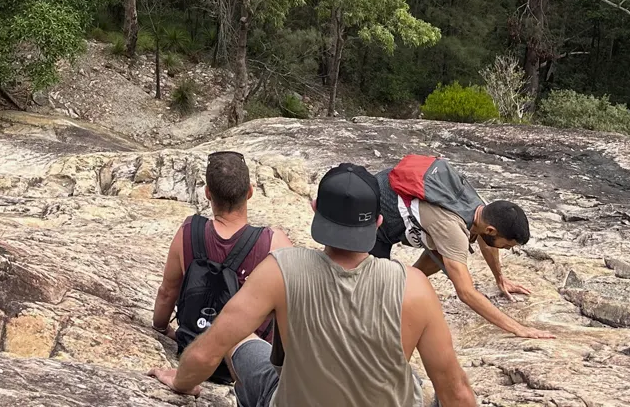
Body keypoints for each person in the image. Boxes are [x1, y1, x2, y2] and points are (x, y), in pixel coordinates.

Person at [150, 163, 479, 407]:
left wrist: (179, 382)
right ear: (378, 223)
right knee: (424, 384)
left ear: (314, 210)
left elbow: (209, 350)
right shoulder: (414, 285)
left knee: (240, 343)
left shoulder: (281, 269)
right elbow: (457, 394)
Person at [374, 153, 554, 340]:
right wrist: (519, 329)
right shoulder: (453, 230)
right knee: (375, 293)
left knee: (445, 255)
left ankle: (405, 283)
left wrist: (500, 279)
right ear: (491, 230)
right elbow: (466, 292)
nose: (506, 249)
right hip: (375, 217)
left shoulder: (482, 209)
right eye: (507, 246)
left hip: (391, 189)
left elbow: (488, 243)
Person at [153, 150, 292, 383]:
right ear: (250, 192)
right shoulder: (273, 242)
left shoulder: (188, 231)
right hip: (244, 363)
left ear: (207, 193)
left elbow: (167, 292)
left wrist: (160, 329)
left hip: (191, 346)